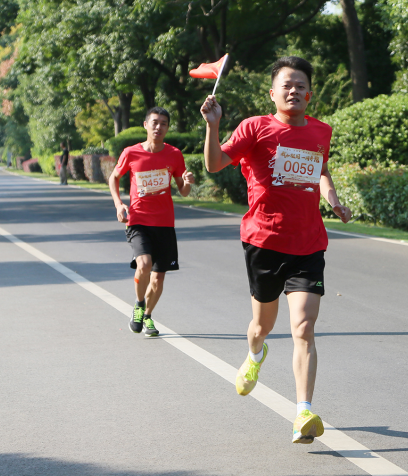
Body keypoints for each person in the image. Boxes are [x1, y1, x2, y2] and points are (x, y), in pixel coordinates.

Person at [200, 56, 352, 444]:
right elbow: (215, 164)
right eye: (287, 85)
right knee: (261, 327)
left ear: (309, 94)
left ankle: (303, 412)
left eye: (301, 86)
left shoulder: (321, 131)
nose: (294, 91)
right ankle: (255, 355)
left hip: (308, 243)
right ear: (273, 93)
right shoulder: (255, 127)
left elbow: (320, 169)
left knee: (303, 326)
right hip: (263, 241)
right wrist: (213, 126)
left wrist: (333, 199)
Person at [108, 107, 195, 338]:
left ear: (167, 128)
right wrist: (118, 204)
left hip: (164, 224)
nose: (159, 127)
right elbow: (114, 177)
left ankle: (147, 315)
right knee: (144, 264)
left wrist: (188, 182)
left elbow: (183, 191)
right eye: (155, 122)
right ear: (146, 125)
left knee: (158, 279)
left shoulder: (174, 154)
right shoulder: (131, 153)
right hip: (138, 220)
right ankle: (139, 304)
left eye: (164, 123)